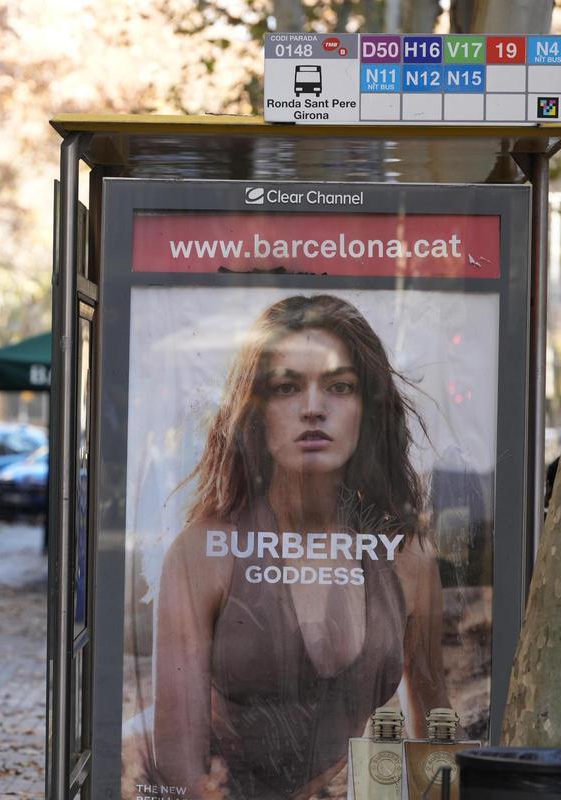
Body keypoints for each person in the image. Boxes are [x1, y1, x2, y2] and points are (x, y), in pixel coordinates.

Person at [145, 295, 454, 799]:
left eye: (339, 386)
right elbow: (178, 769)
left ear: (367, 407)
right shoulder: (204, 553)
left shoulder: (406, 558)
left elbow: (439, 738)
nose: (314, 407)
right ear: (255, 409)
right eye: (287, 387)